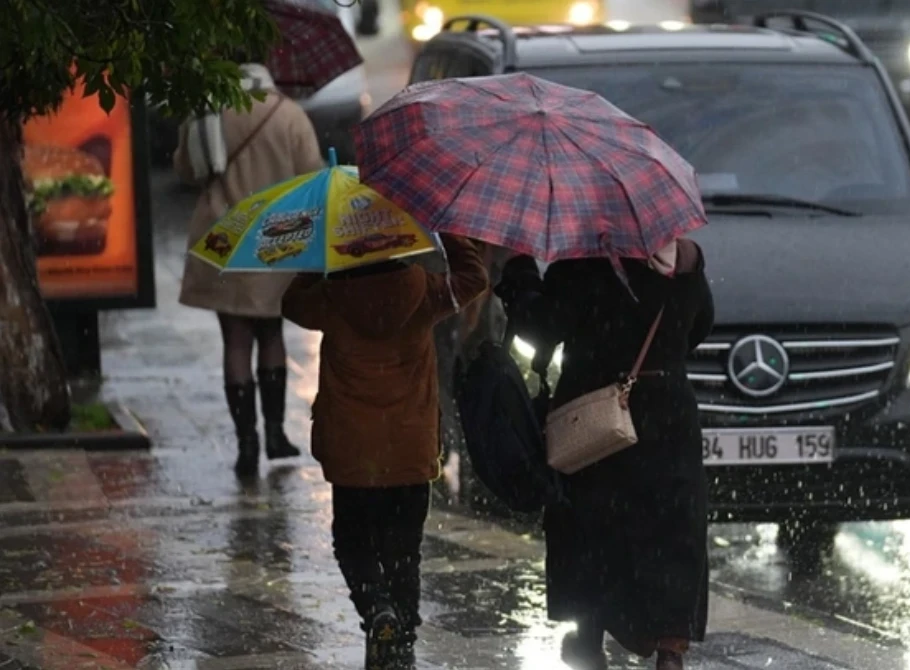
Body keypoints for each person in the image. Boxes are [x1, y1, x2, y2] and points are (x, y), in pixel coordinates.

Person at [497, 238, 715, 670]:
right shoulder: (685, 259)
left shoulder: (584, 261)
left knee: (593, 524)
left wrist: (520, 272)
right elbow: (701, 324)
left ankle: (590, 633)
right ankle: (671, 643)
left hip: (596, 408)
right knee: (671, 525)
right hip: (669, 413)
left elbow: (542, 326)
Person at [279, 234, 488, 670]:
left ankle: (377, 609)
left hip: (354, 451)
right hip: (410, 448)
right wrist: (447, 232)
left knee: (352, 542)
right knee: (404, 549)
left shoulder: (331, 297)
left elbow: (291, 304)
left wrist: (317, 259)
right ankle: (403, 636)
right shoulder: (426, 291)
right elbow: (475, 277)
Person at [174, 50, 325, 477]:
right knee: (272, 334)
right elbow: (312, 176)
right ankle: (276, 432)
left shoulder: (208, 107)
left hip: (222, 241)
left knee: (235, 341)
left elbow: (185, 168)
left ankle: (247, 443)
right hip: (275, 241)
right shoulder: (289, 115)